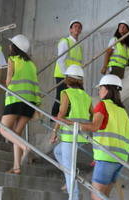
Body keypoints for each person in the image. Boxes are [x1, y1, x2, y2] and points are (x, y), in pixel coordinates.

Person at [68, 74, 129, 199]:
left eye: (100, 88)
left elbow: (94, 126)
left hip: (106, 158)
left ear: (107, 89)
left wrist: (73, 123)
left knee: (96, 197)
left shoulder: (103, 105)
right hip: (119, 160)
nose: (99, 91)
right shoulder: (122, 111)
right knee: (104, 196)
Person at [0, 34, 41, 174]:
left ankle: (26, 148)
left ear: (15, 47)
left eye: (11, 44)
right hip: (30, 103)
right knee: (16, 134)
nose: (9, 46)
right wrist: (37, 105)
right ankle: (17, 166)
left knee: (3, 130)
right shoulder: (32, 64)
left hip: (15, 100)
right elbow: (36, 85)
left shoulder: (12, 59)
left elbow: (8, 81)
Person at [50, 64, 92, 200]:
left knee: (69, 169)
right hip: (82, 137)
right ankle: (73, 174)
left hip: (70, 137)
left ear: (67, 79)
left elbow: (61, 115)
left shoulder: (66, 93)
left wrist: (54, 131)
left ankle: (73, 196)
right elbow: (93, 115)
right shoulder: (86, 96)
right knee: (57, 152)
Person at [52, 20, 83, 118]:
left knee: (71, 98)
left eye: (79, 27)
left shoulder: (79, 45)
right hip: (63, 75)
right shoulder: (65, 41)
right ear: (70, 30)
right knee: (61, 97)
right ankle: (54, 119)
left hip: (74, 76)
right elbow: (61, 60)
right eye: (75, 26)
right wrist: (66, 75)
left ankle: (64, 118)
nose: (77, 28)